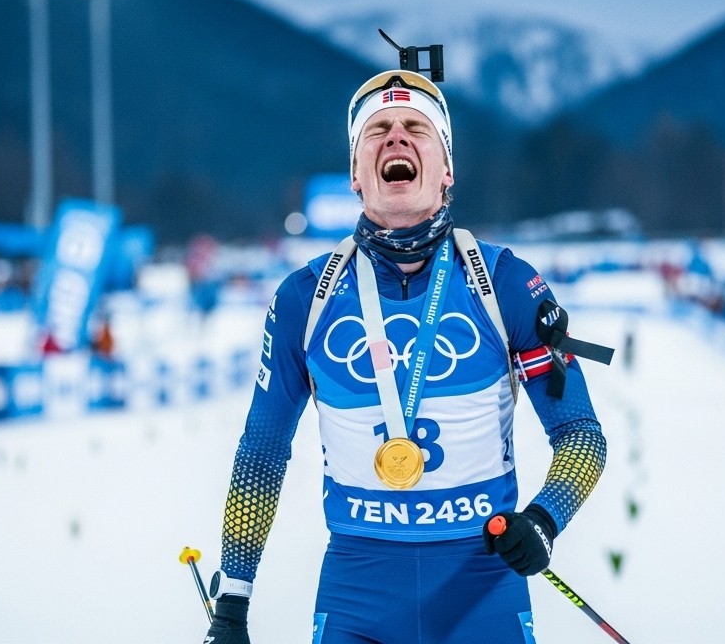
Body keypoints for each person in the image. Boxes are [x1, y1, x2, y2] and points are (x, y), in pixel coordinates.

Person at [202, 66, 609, 643]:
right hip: (358, 590)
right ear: (355, 175)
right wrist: (233, 602)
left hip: (482, 584)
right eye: (378, 130)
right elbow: (262, 452)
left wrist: (544, 520)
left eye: (416, 127)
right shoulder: (303, 300)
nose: (396, 137)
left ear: (446, 171)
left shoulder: (507, 285)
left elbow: (582, 436)